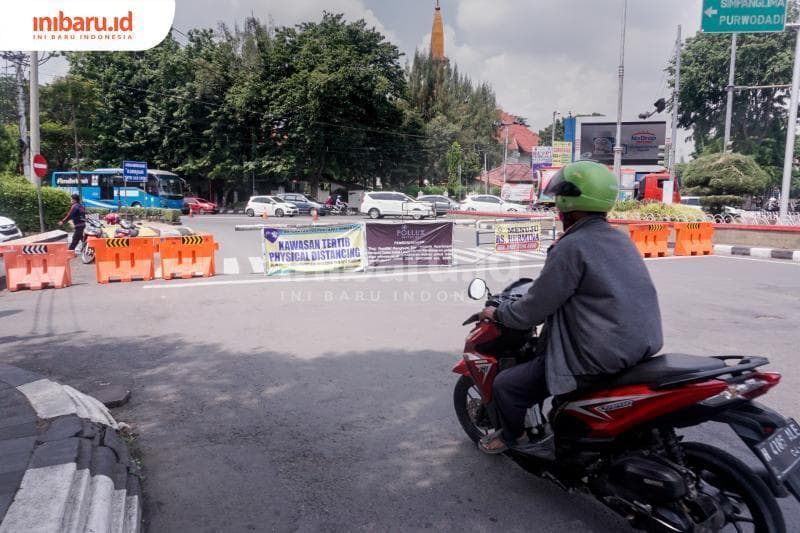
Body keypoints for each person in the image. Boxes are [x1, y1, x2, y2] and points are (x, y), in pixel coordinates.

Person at [477, 161, 663, 454]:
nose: (557, 212)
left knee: (507, 386)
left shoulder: (571, 247)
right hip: (639, 348)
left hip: (596, 356)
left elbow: (531, 310)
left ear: (567, 205)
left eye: (558, 206)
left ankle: (514, 438)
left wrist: (497, 313)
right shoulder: (621, 239)